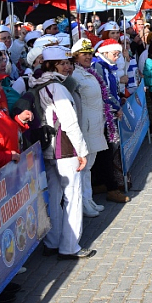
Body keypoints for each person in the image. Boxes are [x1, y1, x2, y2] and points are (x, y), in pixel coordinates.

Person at [28, 46, 96, 259]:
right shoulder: (57, 87)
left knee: (56, 195)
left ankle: (53, 240)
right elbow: (69, 121)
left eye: (68, 63)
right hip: (65, 147)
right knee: (72, 197)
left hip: (49, 147)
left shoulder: (40, 84)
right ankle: (69, 246)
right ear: (51, 65)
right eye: (62, 63)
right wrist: (82, 150)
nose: (67, 66)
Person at [70, 39, 114, 214]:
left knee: (90, 166)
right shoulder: (75, 75)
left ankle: (88, 199)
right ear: (75, 56)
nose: (88, 57)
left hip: (95, 124)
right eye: (84, 54)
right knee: (84, 166)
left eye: (89, 53)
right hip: (85, 125)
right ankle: (83, 202)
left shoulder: (89, 72)